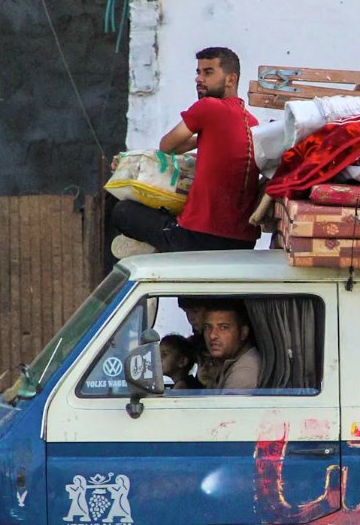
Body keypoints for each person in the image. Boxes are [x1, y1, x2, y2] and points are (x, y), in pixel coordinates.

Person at [110, 46, 262, 256]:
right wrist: (203, 137)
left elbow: (167, 146)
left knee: (122, 211)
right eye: (198, 72)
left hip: (198, 238)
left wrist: (198, 138)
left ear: (230, 79)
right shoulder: (252, 123)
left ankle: (153, 249)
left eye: (208, 72)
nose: (199, 79)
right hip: (244, 241)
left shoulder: (209, 107)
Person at [203, 302, 260, 390]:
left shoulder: (244, 371)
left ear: (243, 332)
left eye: (223, 327)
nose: (212, 335)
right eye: (208, 327)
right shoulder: (229, 363)